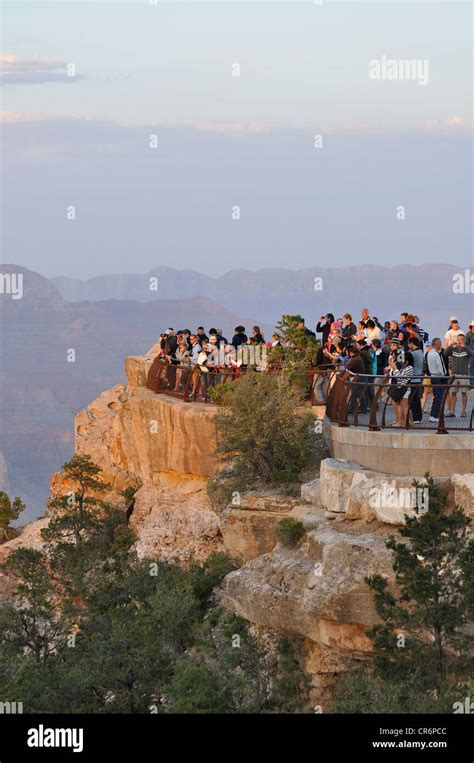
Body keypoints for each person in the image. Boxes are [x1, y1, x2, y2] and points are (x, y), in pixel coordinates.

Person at [445, 333, 473, 417]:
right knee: (453, 393)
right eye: (458, 339)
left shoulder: (466, 349)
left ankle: (463, 412)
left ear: (464, 340)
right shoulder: (453, 349)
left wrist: (465, 347)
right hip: (454, 375)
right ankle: (452, 411)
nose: (459, 341)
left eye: (461, 339)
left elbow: (472, 354)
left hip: (464, 374)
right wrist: (450, 345)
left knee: (464, 393)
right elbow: (445, 354)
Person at [388, 351, 414, 427]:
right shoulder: (405, 367)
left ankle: (404, 423)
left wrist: (395, 368)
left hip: (404, 389)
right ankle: (407, 422)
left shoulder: (409, 368)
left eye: (403, 360)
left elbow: (400, 378)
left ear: (407, 361)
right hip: (402, 389)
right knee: (404, 406)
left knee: (404, 407)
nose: (402, 361)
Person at [427, 338, 448, 423]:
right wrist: (445, 375)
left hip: (433, 376)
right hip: (438, 377)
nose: (441, 345)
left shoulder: (429, 353)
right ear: (436, 344)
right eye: (440, 343)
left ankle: (433, 415)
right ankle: (435, 416)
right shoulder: (436, 354)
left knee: (436, 397)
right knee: (439, 397)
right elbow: (440, 366)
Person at [407, 336, 424, 423]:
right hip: (418, 377)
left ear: (412, 344)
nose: (408, 345)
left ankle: (415, 418)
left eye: (409, 343)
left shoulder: (413, 353)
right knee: (417, 399)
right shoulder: (420, 351)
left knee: (412, 399)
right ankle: (419, 417)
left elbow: (406, 363)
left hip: (413, 378)